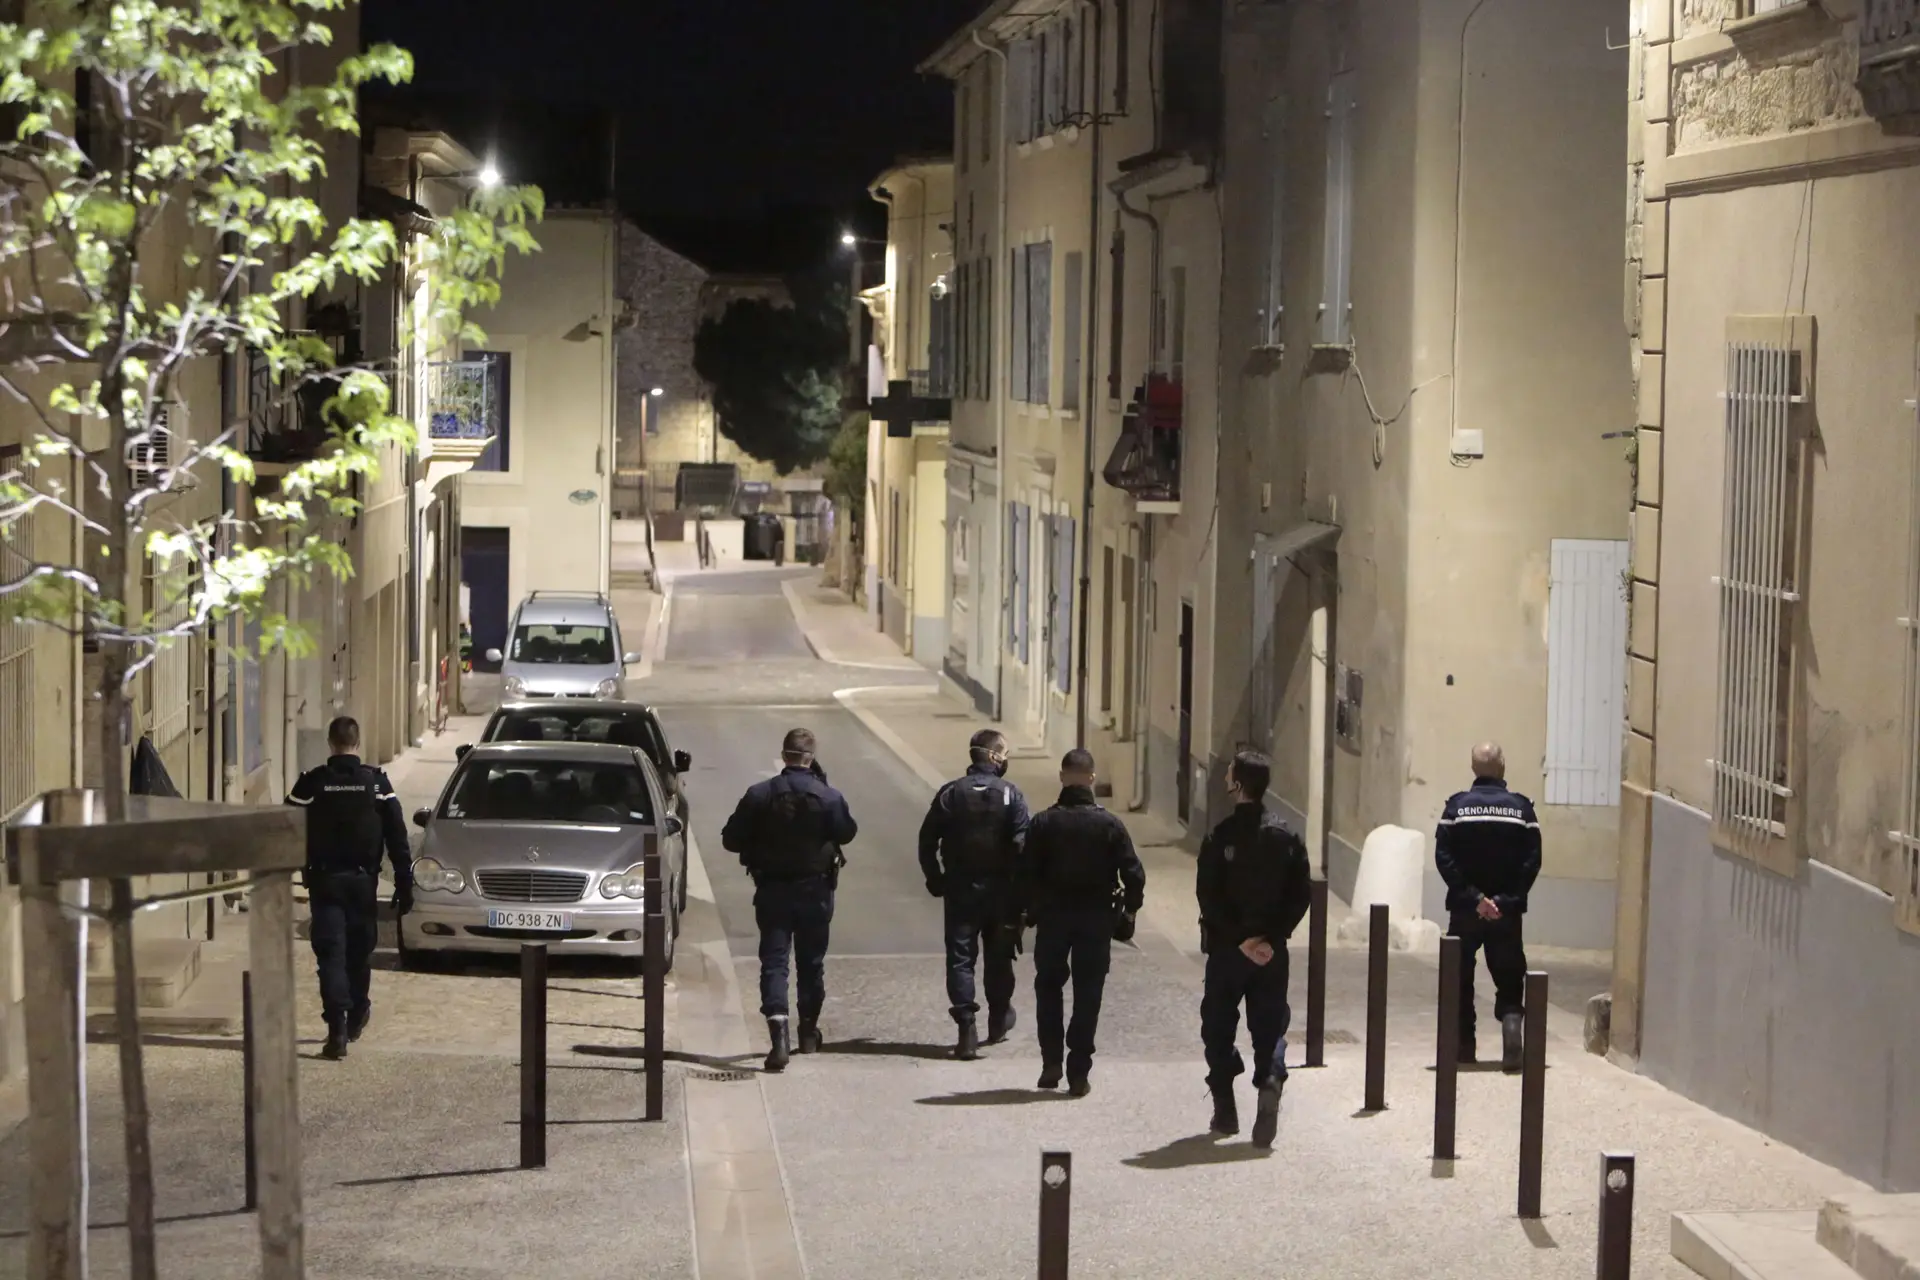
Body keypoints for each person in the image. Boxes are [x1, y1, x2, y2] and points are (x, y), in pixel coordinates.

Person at [722, 727, 858, 1073]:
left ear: (784, 756)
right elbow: (847, 832)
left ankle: (778, 1037)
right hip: (816, 891)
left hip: (773, 889)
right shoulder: (828, 796)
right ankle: (808, 1033)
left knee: (775, 962)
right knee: (811, 964)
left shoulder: (760, 794)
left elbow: (731, 839)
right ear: (811, 758)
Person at [1196, 750, 1312, 1148]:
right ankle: (1271, 1079)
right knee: (1270, 1025)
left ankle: (1225, 1108)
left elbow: (1208, 897)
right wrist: (1269, 937)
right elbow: (1301, 895)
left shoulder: (1220, 836)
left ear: (1238, 784)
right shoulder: (1287, 837)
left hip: (1227, 952)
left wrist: (1239, 940)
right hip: (1271, 953)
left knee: (1217, 1026)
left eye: (1229, 774)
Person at [285, 716, 413, 1061]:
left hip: (325, 882)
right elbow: (397, 836)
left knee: (331, 955)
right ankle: (356, 1013)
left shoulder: (311, 784)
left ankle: (337, 1030)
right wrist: (404, 882)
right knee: (358, 953)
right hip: (362, 883)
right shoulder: (377, 784)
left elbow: (282, 828)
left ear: (330, 743)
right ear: (358, 742)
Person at [1021, 749, 1144, 1097]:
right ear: (1091, 778)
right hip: (1096, 920)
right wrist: (1129, 912)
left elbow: (1024, 875)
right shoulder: (1110, 825)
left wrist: (1025, 913)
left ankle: (1051, 1062)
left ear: (1062, 777)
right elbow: (1134, 875)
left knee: (1048, 987)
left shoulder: (1043, 823)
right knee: (1088, 993)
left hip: (1053, 919)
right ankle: (1079, 1071)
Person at [918, 729, 1031, 1060]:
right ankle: (998, 1018)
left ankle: (966, 1027)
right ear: (994, 757)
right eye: (1005, 754)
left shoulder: (951, 794)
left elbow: (927, 839)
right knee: (1000, 957)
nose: (1006, 760)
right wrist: (1025, 894)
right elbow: (1024, 847)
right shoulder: (1011, 795)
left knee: (961, 959)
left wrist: (935, 877)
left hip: (960, 890)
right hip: (1002, 893)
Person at [1434, 741, 1542, 1071]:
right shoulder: (1522, 810)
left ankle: (1463, 1046)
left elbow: (1444, 858)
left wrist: (1475, 899)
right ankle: (1511, 1029)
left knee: (1459, 976)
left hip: (1465, 911)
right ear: (1502, 765)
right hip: (1505, 914)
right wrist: (1505, 901)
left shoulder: (1456, 808)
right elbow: (1532, 861)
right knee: (1509, 974)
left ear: (1473, 768)